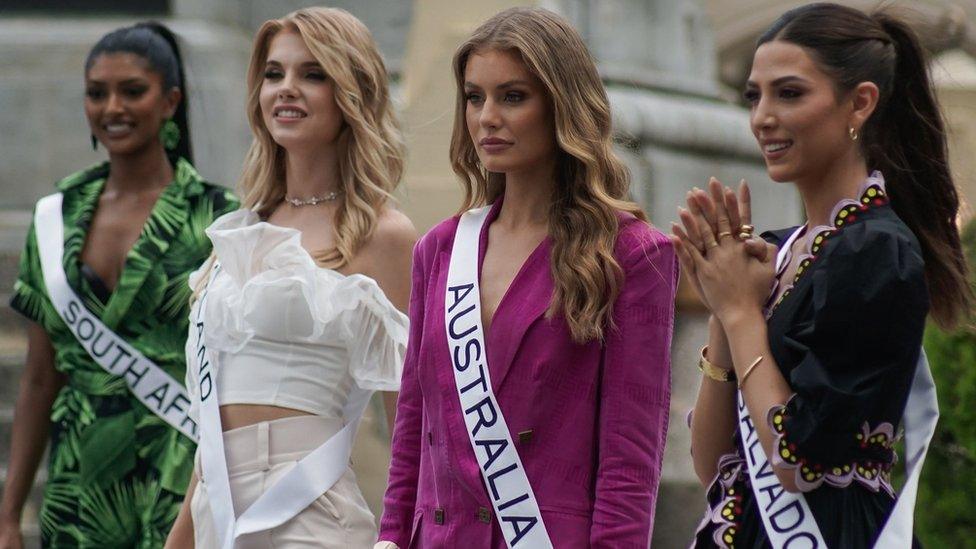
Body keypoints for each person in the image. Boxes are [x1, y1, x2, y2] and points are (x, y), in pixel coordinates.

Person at [673, 3, 973, 547]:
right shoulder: (778, 250)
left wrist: (742, 314)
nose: (763, 116)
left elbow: (798, 457)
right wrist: (724, 309)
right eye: (753, 96)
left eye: (789, 93)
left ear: (859, 103)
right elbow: (713, 461)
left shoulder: (876, 249)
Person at [377, 7, 677, 548]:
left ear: (562, 104)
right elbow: (412, 429)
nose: (487, 116)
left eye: (512, 97)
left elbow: (629, 465)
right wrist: (390, 538)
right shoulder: (440, 249)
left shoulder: (631, 254)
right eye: (475, 97)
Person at [163, 7, 416, 548]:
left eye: (313, 74)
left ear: (352, 93)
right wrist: (181, 535)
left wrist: (403, 535)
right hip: (217, 511)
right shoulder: (242, 228)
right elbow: (215, 417)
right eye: (274, 73)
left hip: (310, 511)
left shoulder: (383, 235)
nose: (286, 89)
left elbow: (408, 422)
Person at [0, 22, 239, 548]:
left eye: (133, 91)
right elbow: (41, 378)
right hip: (78, 483)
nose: (113, 108)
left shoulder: (221, 219)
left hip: (180, 474)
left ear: (170, 100)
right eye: (97, 93)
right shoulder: (56, 217)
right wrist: (9, 514)